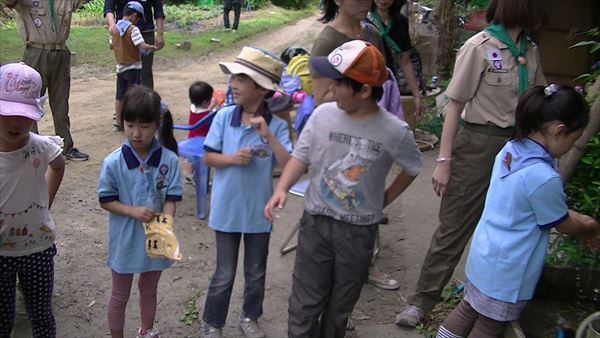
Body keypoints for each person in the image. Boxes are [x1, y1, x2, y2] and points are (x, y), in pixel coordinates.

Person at [396, 0, 548, 327]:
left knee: (509, 227)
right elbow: (454, 106)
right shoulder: (478, 48)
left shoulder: (531, 50)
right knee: (455, 225)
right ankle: (422, 301)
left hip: (518, 147)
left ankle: (488, 298)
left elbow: (538, 102)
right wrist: (444, 161)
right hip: (479, 144)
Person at [264, 40, 422, 338]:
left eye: (339, 84)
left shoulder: (394, 130)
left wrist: (384, 199)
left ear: (364, 90)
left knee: (340, 307)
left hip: (358, 233)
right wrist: (281, 188)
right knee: (304, 304)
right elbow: (302, 155)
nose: (330, 90)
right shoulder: (323, 115)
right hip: (316, 223)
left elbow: (412, 167)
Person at [435, 85, 599, 338]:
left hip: (485, 255)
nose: (571, 145)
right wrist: (588, 226)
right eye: (573, 139)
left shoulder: (511, 150)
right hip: (508, 270)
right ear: (559, 131)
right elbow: (562, 223)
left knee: (468, 309)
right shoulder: (543, 177)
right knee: (490, 325)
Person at [201, 46, 292, 338]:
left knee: (255, 273)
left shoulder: (276, 125)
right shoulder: (223, 117)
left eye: (242, 79)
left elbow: (289, 164)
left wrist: (267, 135)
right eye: (234, 78)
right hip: (226, 210)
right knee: (223, 274)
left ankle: (249, 317)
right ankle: (212, 323)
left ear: (263, 89)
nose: (234, 84)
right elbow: (208, 157)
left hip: (259, 212)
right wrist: (231, 159)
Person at [312, 0, 401, 293]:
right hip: (340, 140)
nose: (368, 3)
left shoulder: (372, 34)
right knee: (342, 201)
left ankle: (367, 264)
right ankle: (338, 277)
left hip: (372, 134)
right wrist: (354, 92)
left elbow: (382, 85)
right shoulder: (327, 41)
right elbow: (320, 99)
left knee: (369, 196)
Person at [98, 86, 182, 338]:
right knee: (120, 293)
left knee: (149, 290)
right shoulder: (113, 163)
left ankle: (146, 331)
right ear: (122, 121)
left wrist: (164, 225)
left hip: (156, 235)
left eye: (144, 126)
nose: (136, 133)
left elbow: (171, 198)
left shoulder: (169, 160)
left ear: (157, 124)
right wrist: (132, 211)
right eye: (130, 124)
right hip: (125, 238)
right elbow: (106, 200)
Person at [0, 62, 66, 338]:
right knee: (3, 318)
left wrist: (45, 204)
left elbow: (58, 165)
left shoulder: (41, 146)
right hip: (0, 253)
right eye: (8, 113)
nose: (15, 122)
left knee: (41, 315)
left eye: (23, 115)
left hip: (37, 249)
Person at [5, 0, 89, 161]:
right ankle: (29, 146)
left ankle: (65, 147)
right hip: (36, 53)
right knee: (29, 101)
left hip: (61, 52)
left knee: (61, 103)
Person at [311, 0, 385, 107]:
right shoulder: (325, 43)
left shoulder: (373, 33)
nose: (365, 2)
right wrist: (357, 90)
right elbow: (320, 98)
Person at [367, 0, 423, 120]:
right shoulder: (364, 21)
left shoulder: (401, 22)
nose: (383, 1)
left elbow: (405, 61)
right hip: (366, 85)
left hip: (388, 84)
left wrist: (417, 96)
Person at [111, 1, 158, 131]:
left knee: (119, 95)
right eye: (138, 18)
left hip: (120, 68)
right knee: (134, 95)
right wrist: (151, 48)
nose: (137, 21)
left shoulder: (114, 28)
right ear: (134, 15)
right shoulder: (133, 29)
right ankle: (132, 119)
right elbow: (141, 45)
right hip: (133, 68)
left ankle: (119, 122)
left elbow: (111, 45)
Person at [104, 0, 165, 89]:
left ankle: (146, 99)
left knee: (146, 71)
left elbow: (158, 9)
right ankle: (128, 98)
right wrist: (113, 27)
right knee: (126, 69)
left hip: (146, 31)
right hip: (124, 32)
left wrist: (160, 33)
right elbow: (109, 7)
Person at [182, 80, 216, 185]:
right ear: (205, 102)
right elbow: (213, 118)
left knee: (191, 160)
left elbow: (202, 109)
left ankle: (189, 175)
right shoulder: (208, 114)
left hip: (191, 139)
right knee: (203, 162)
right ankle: (201, 180)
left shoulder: (192, 108)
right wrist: (213, 107)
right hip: (203, 142)